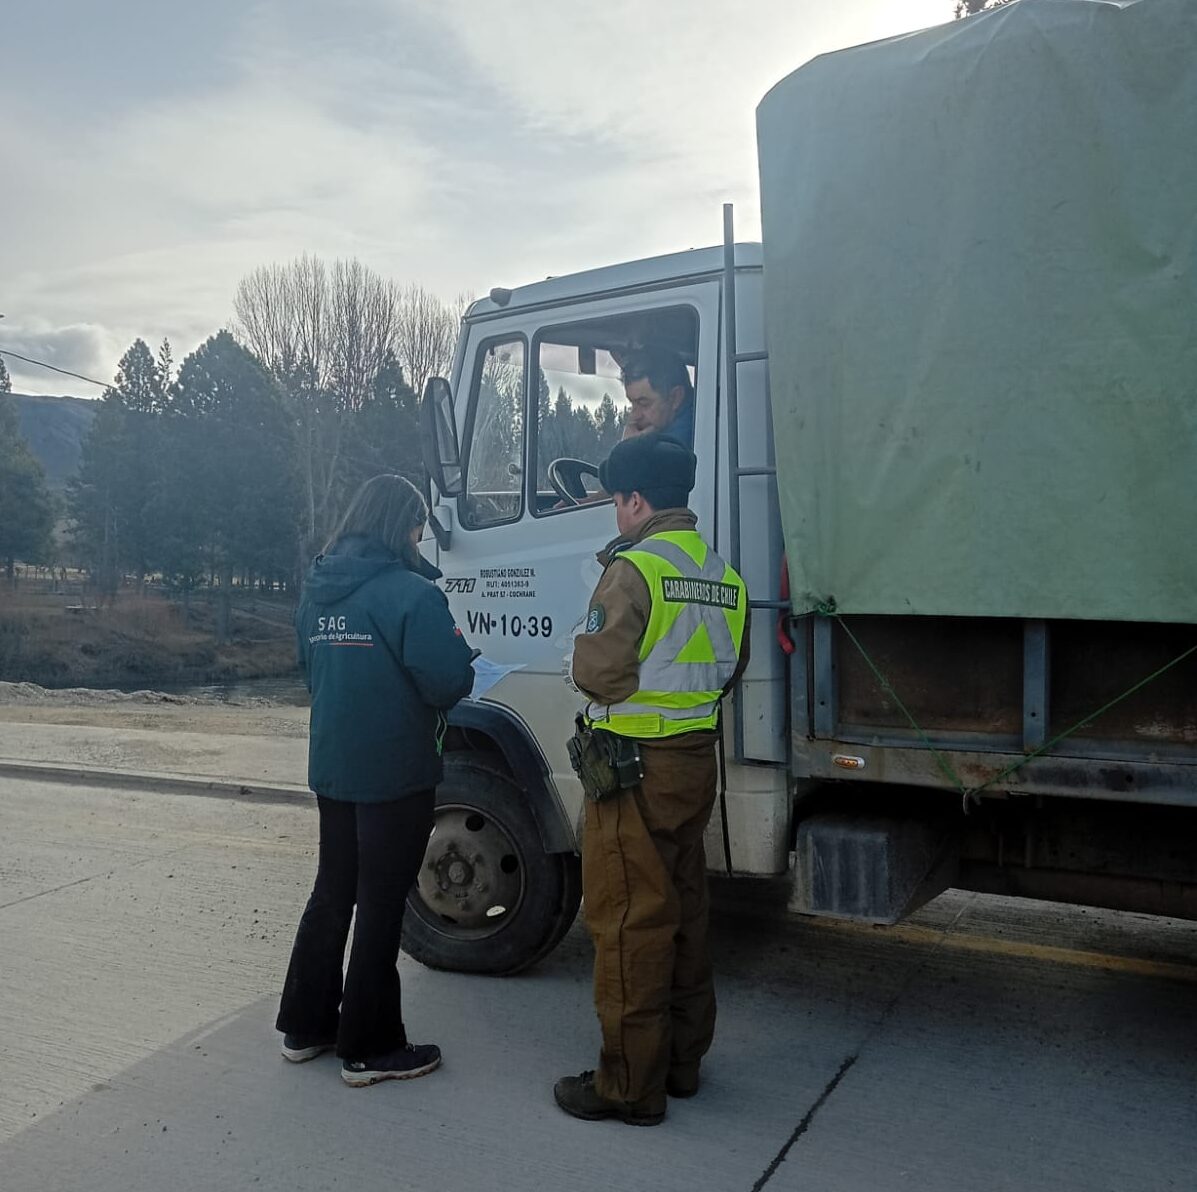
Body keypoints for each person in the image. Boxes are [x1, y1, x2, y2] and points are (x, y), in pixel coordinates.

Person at [554, 433, 749, 1126]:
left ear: (636, 501)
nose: (616, 513)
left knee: (629, 922)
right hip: (694, 766)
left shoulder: (634, 568)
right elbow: (729, 668)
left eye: (616, 501)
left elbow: (598, 673)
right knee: (684, 915)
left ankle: (630, 1087)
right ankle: (682, 1063)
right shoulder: (723, 575)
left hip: (633, 771)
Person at [276, 474, 476, 1087]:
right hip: (394, 772)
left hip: (333, 765)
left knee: (333, 889)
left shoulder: (317, 590)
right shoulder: (412, 595)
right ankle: (369, 1047)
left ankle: (306, 1026)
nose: (419, 537)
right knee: (382, 902)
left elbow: (310, 671)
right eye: (418, 525)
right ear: (400, 525)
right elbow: (448, 681)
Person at [619, 347, 695, 446]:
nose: (634, 416)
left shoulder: (678, 445)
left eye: (644, 404)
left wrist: (631, 447)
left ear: (676, 398)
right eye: (632, 403)